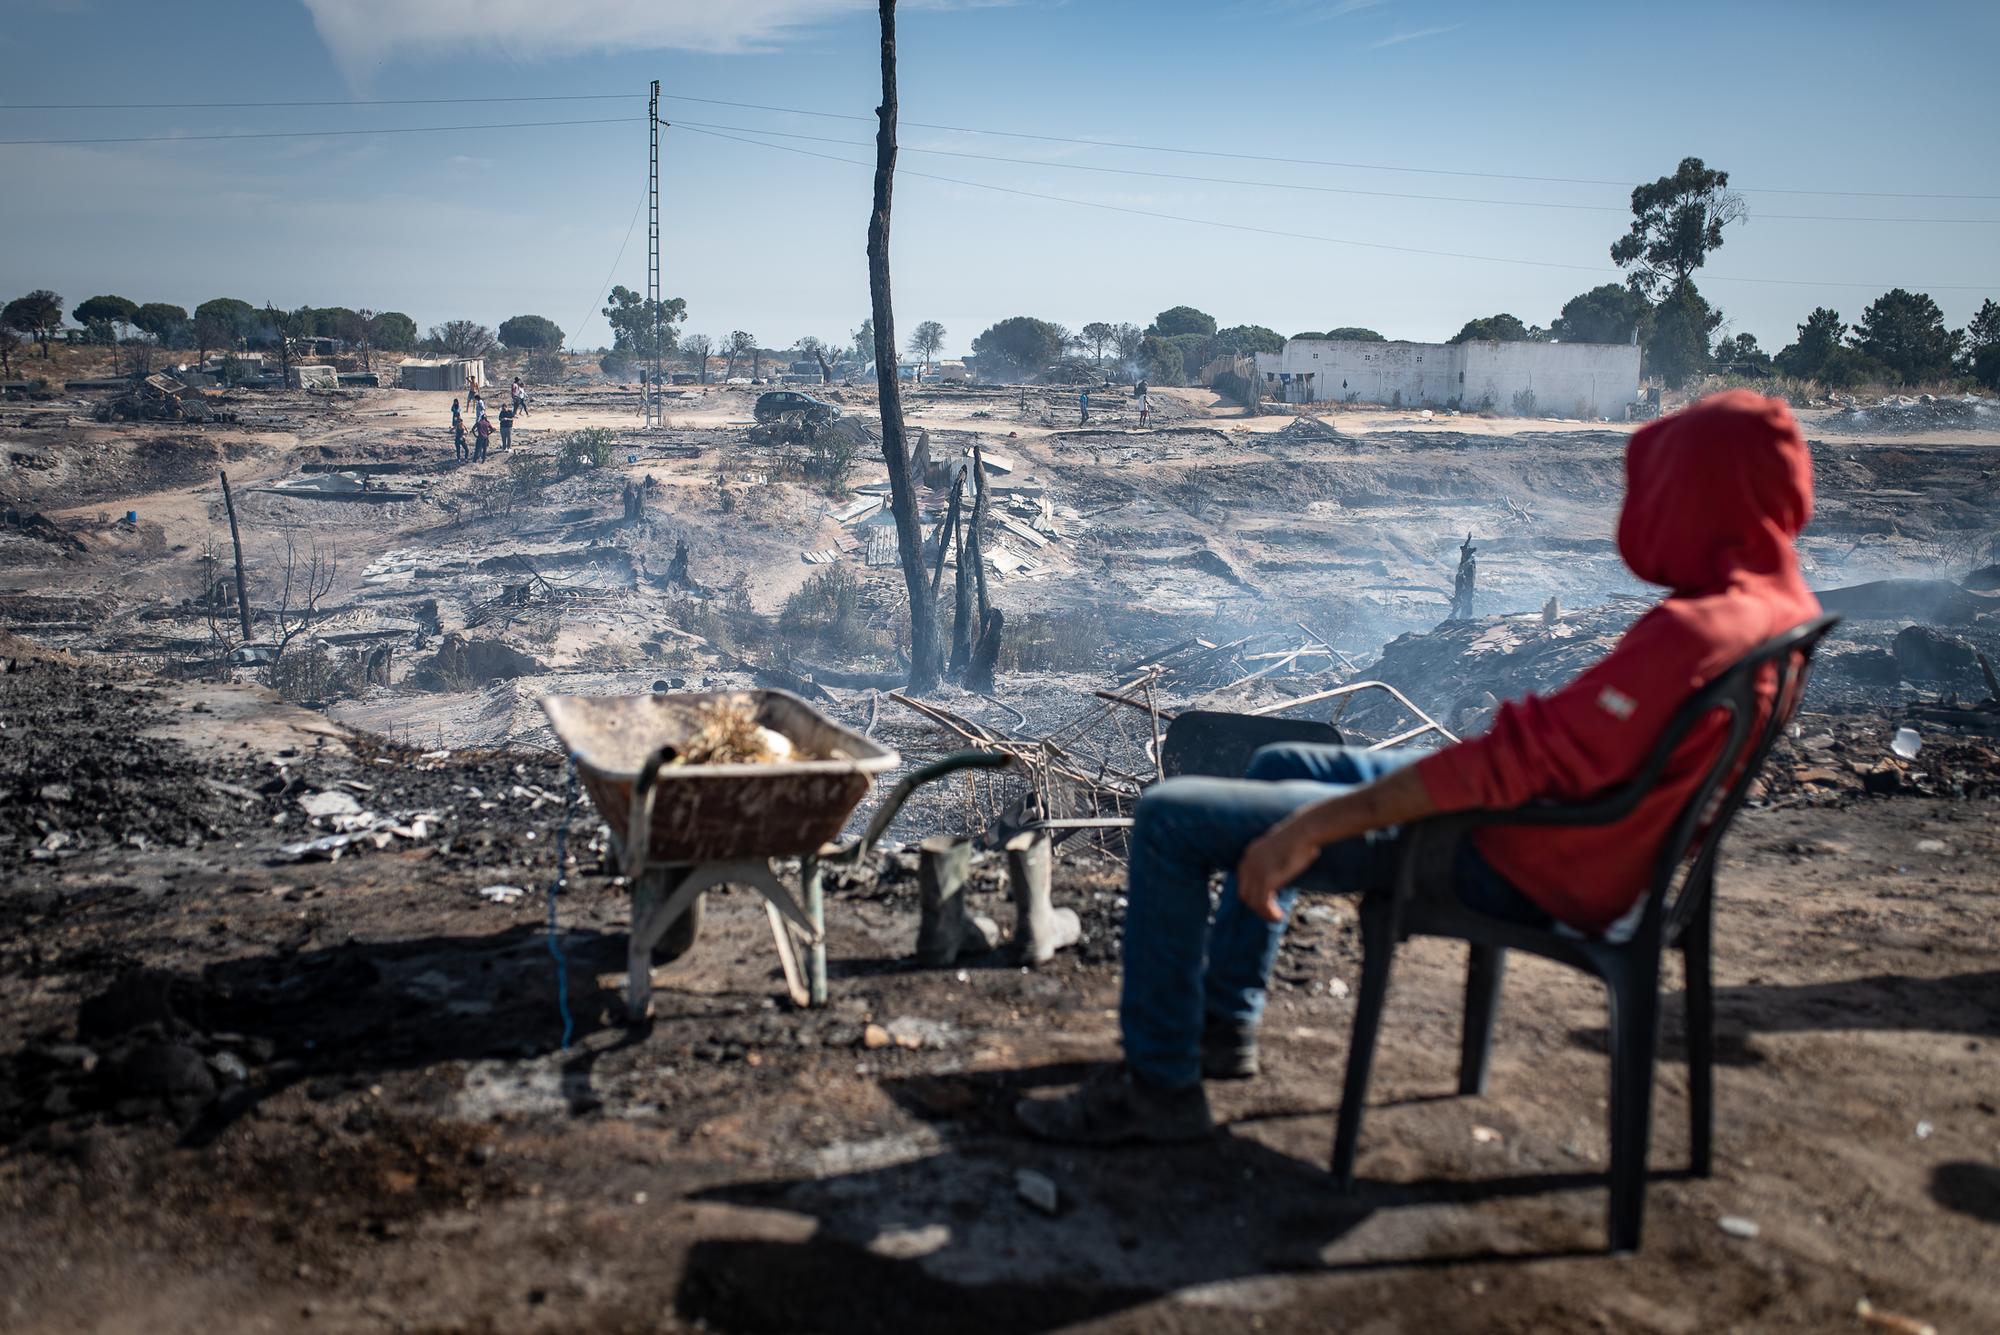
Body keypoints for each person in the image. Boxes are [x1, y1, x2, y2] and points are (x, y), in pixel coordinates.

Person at [1015, 391, 1821, 1144]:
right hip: (1578, 838)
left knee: (1169, 817)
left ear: (1703, 493)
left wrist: (1311, 828)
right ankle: (1225, 1023)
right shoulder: (1775, 605)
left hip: (1520, 859)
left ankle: (1157, 1087)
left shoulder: (1697, 633)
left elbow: (1508, 766)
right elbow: (1543, 757)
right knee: (1280, 758)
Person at [450, 397, 466, 462]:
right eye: (454, 402)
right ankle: (459, 458)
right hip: (454, 416)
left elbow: (458, 411)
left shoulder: (458, 406)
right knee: (455, 424)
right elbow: (452, 410)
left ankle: (463, 458)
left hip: (457, 416)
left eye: (456, 402)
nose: (455, 403)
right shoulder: (453, 406)